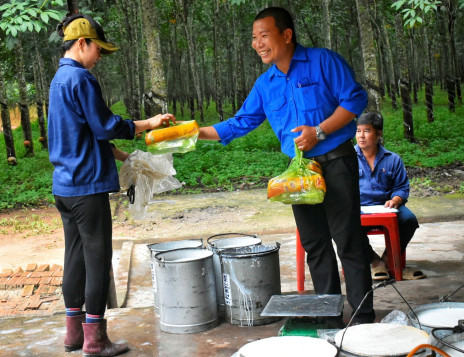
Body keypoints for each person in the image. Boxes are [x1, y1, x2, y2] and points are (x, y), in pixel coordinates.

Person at [199, 7, 375, 324]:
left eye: (264, 36)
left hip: (335, 163)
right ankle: (329, 317)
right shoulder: (266, 84)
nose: (257, 44)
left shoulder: (324, 61)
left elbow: (354, 100)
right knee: (315, 245)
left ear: (286, 35)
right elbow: (240, 122)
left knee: (348, 240)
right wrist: (195, 132)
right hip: (298, 176)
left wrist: (319, 131)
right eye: (254, 38)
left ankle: (363, 318)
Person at [48, 14, 176, 355]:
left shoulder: (59, 79)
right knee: (97, 258)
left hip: (64, 186)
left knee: (74, 257)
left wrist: (124, 157)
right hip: (87, 187)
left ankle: (73, 334)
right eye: (97, 50)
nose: (99, 57)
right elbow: (104, 126)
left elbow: (83, 132)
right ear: (81, 44)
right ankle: (95, 339)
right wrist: (147, 124)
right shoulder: (81, 79)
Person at [355, 112, 425, 281]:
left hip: (387, 207)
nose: (361, 136)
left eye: (367, 131)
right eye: (358, 131)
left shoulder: (393, 159)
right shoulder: (348, 159)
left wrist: (395, 200)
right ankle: (374, 261)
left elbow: (401, 187)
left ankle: (389, 259)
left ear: (378, 134)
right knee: (344, 224)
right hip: (358, 208)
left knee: (409, 220)